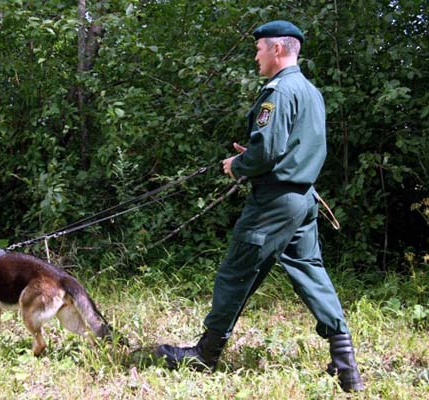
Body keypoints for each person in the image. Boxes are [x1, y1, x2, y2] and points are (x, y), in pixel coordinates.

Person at [155, 20, 363, 393]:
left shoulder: (278, 92)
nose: (256, 56)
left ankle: (206, 353)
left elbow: (267, 151)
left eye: (259, 49)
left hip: (274, 201)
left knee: (235, 272)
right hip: (302, 199)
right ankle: (345, 362)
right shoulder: (311, 91)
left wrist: (238, 165)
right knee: (310, 270)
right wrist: (254, 156)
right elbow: (292, 147)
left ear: (278, 50)